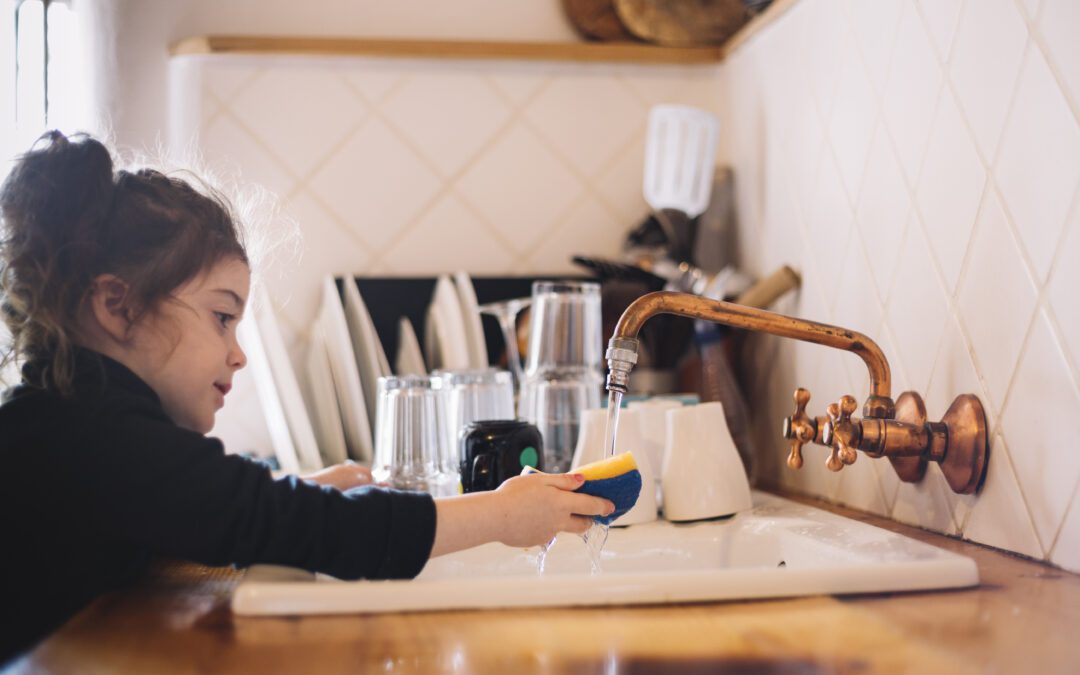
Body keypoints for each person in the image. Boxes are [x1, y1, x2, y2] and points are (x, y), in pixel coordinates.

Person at [0, 131, 614, 662]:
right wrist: (503, 516)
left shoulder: (72, 425)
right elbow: (309, 529)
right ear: (118, 305)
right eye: (221, 317)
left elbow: (205, 510)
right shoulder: (97, 439)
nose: (238, 353)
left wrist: (300, 491)